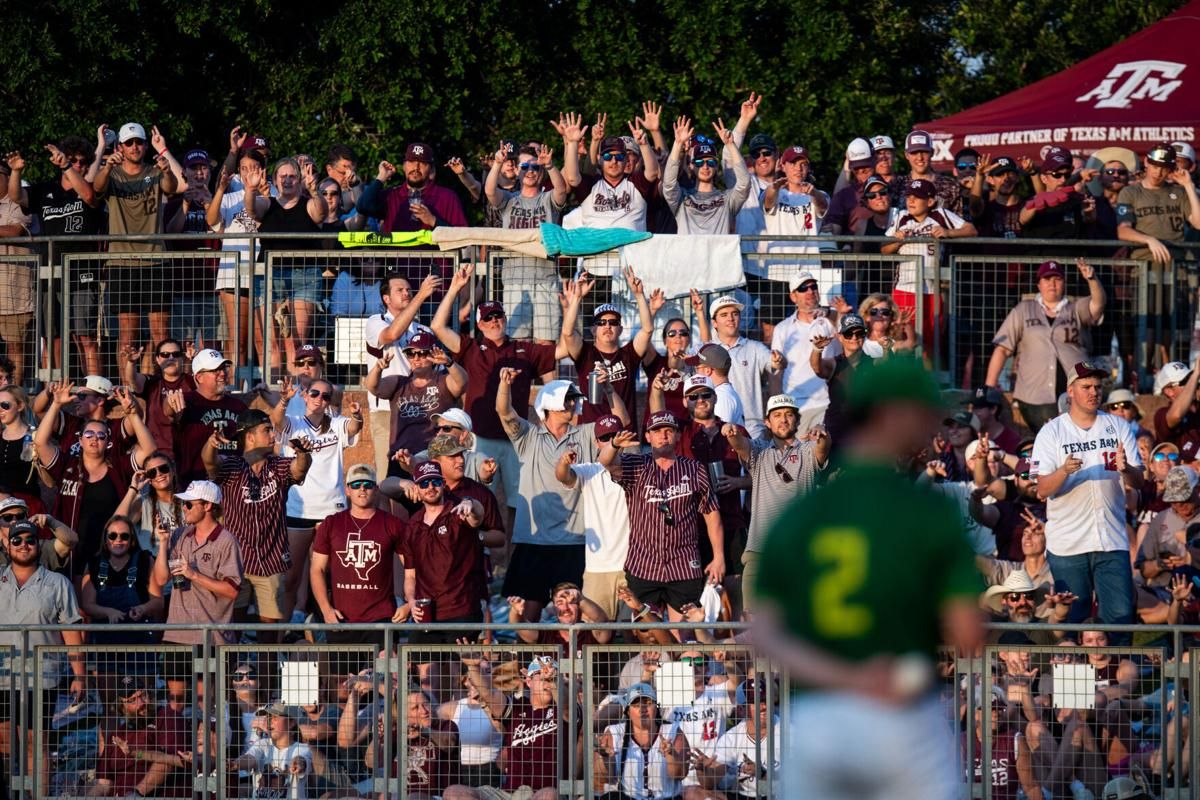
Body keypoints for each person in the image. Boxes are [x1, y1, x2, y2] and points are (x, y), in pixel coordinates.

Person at [754, 357, 983, 800]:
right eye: (923, 410)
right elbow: (967, 631)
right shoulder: (926, 511)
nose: (932, 421)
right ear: (892, 414)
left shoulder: (802, 514)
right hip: (901, 716)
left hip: (819, 718)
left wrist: (846, 677)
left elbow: (765, 632)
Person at [432, 263, 560, 534]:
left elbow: (564, 350)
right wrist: (455, 288)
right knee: (472, 498)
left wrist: (571, 306)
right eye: (488, 318)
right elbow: (437, 326)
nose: (494, 322)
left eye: (498, 316)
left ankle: (515, 567)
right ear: (479, 324)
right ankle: (481, 562)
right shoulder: (471, 348)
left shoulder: (524, 349)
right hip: (481, 437)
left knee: (520, 504)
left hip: (517, 441)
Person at [1032, 362, 1144, 640]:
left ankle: (1116, 680)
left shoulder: (1119, 426)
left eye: (1097, 386)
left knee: (1119, 620)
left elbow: (1139, 481)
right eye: (1086, 387)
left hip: (1111, 539)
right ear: (1070, 391)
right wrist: (1064, 471)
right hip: (1068, 544)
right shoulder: (1051, 432)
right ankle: (1075, 682)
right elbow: (1042, 488)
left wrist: (1126, 469)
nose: (1094, 392)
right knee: (1073, 621)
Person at [496, 371, 614, 622]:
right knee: (527, 615)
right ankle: (530, 662)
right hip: (533, 541)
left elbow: (618, 424)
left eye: (574, 398)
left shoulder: (584, 434)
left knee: (578, 613)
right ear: (549, 405)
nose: (572, 403)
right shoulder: (528, 436)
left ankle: (579, 660)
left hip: (574, 541)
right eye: (567, 398)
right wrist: (505, 385)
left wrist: (610, 391)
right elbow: (505, 413)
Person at [599, 410, 725, 620]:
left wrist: (718, 556)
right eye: (657, 430)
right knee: (645, 632)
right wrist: (613, 445)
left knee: (683, 634)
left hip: (684, 564)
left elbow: (711, 513)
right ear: (648, 436)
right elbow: (606, 462)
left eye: (669, 430)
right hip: (644, 565)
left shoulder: (694, 469)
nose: (663, 435)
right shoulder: (635, 465)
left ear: (677, 436)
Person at [201, 408, 312, 632]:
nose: (273, 435)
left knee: (269, 637)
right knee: (232, 632)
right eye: (267, 430)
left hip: (271, 562)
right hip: (235, 564)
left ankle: (266, 668)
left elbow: (298, 471)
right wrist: (211, 444)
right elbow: (210, 463)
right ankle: (232, 668)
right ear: (250, 437)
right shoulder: (232, 467)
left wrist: (302, 454)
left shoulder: (278, 465)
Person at [34, 382, 156, 576]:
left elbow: (149, 451)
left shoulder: (119, 467)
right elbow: (40, 443)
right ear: (80, 440)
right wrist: (56, 404)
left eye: (101, 436)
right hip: (72, 549)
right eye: (89, 434)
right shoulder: (67, 465)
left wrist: (133, 415)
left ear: (108, 443)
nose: (95, 439)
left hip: (109, 547)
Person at [7, 138, 105, 375]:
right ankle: (54, 393)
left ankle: (93, 392)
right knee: (53, 337)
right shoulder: (45, 189)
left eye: (83, 162)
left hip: (82, 273)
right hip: (51, 273)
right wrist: (16, 171)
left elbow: (89, 197)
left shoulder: (92, 187)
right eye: (73, 161)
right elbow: (16, 197)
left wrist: (66, 167)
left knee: (86, 337)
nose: (78, 165)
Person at [725, 394, 830, 611]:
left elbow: (823, 447)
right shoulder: (759, 451)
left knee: (798, 630)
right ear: (767, 422)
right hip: (759, 554)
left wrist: (822, 432)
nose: (783, 420)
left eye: (789, 415)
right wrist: (730, 432)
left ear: (797, 421)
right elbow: (740, 445)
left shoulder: (807, 451)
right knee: (755, 631)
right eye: (777, 415)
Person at [272, 379, 362, 620]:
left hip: (331, 510)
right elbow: (276, 422)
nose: (320, 399)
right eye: (315, 393)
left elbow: (352, 428)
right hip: (298, 509)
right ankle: (285, 629)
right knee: (290, 577)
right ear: (304, 395)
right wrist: (283, 400)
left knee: (333, 575)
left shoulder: (336, 423)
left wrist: (357, 416)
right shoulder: (295, 424)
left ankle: (330, 627)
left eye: (326, 396)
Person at [92, 122, 182, 362]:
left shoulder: (154, 172)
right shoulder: (112, 173)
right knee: (127, 336)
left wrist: (166, 170)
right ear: (120, 146)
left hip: (155, 260)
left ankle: (158, 388)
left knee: (160, 335)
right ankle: (128, 391)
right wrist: (107, 165)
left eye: (139, 142)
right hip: (121, 263)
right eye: (129, 142)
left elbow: (172, 188)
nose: (135, 147)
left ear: (144, 145)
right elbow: (95, 189)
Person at [985, 259, 1106, 433]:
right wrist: (989, 388)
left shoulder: (1075, 308)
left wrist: (1092, 279)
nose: (1052, 283)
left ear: (1064, 283)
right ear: (1038, 284)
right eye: (1047, 279)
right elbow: (1003, 349)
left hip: (1077, 391)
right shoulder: (1023, 309)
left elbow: (1098, 304)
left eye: (1057, 279)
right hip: (1034, 395)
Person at [242, 155, 327, 370]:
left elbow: (321, 214)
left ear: (299, 180)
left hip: (304, 276)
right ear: (275, 179)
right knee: (270, 343)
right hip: (270, 277)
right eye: (283, 176)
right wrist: (250, 189)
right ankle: (272, 393)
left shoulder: (308, 204)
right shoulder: (266, 203)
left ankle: (297, 395)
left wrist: (315, 190)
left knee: (295, 342)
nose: (287, 180)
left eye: (292, 176)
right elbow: (252, 210)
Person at [881, 178, 977, 358]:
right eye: (909, 196)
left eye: (917, 197)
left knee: (930, 344)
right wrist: (897, 240)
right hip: (905, 289)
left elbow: (971, 230)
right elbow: (884, 249)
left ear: (930, 201)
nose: (911, 201)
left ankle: (927, 383)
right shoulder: (902, 216)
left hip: (932, 290)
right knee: (901, 340)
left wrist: (948, 233)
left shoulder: (941, 214)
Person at [552, 415, 632, 621]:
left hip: (634, 565)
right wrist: (563, 461)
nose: (611, 442)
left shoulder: (639, 467)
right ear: (597, 443)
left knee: (635, 635)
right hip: (598, 568)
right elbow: (563, 476)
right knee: (596, 637)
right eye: (605, 438)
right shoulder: (590, 471)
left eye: (615, 436)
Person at [401, 461, 488, 643]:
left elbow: (477, 517)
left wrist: (470, 503)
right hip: (427, 612)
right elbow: (410, 575)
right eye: (424, 483)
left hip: (461, 608)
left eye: (435, 482)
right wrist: (410, 601)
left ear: (443, 484)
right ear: (417, 488)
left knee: (459, 668)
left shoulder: (457, 512)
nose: (430, 487)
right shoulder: (412, 525)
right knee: (425, 669)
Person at [559, 268, 659, 426]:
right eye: (601, 322)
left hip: (624, 434)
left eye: (613, 322)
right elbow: (568, 333)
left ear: (620, 329)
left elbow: (647, 329)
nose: (607, 326)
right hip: (592, 435)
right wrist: (577, 298)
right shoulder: (586, 354)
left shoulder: (629, 354)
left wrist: (639, 295)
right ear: (593, 330)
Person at [364, 272, 439, 477]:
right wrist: (420, 296)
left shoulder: (424, 330)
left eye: (409, 290)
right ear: (386, 299)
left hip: (422, 409)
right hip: (387, 411)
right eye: (400, 290)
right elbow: (392, 334)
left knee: (425, 472)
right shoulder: (375, 321)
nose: (406, 293)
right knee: (388, 476)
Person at [364, 332, 467, 471]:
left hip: (434, 457)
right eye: (411, 353)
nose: (416, 358)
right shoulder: (399, 382)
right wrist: (377, 369)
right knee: (390, 488)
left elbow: (462, 383)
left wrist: (449, 363)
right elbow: (372, 386)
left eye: (422, 353)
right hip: (401, 457)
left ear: (434, 355)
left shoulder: (443, 382)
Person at [92, 676, 189, 798]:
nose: (141, 703)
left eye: (143, 695)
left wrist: (138, 793)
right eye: (132, 700)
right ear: (121, 707)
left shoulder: (167, 718)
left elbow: (168, 762)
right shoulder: (117, 735)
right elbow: (104, 783)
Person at [560, 114, 660, 231]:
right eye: (607, 156)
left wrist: (644, 144)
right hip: (599, 248)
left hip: (631, 248)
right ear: (601, 160)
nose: (613, 161)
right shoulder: (592, 185)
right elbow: (572, 177)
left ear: (625, 160)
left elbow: (653, 172)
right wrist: (572, 143)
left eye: (619, 156)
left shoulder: (636, 183)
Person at [769, 271, 840, 432]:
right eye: (803, 288)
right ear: (793, 297)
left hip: (828, 404)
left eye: (813, 286)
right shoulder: (783, 328)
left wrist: (829, 313)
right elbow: (776, 372)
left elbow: (849, 329)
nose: (810, 291)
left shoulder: (830, 321)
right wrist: (776, 409)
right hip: (796, 406)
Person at [165, 348, 248, 483]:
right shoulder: (187, 402)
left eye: (223, 368)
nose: (222, 374)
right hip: (196, 486)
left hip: (234, 485)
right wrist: (170, 402)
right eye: (215, 370)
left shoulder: (238, 406)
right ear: (199, 377)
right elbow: (169, 410)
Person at [593, 682, 687, 799]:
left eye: (648, 703)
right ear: (628, 711)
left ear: (656, 708)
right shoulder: (614, 732)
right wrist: (605, 758)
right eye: (636, 705)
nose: (642, 709)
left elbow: (680, 774)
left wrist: (670, 754)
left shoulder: (672, 731)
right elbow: (603, 778)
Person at [78, 514, 162, 645]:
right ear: (105, 538)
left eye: (124, 536)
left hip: (139, 644)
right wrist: (108, 612)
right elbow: (87, 605)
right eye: (112, 536)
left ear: (131, 539)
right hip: (104, 645)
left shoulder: (145, 560)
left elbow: (158, 601)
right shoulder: (94, 563)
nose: (118, 540)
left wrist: (142, 609)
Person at [355, 142, 468, 233]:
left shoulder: (447, 197)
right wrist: (381, 177)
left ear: (431, 170)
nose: (416, 167)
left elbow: (462, 236)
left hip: (434, 261)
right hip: (396, 261)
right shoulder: (392, 195)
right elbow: (363, 207)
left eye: (422, 163)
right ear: (404, 166)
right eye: (411, 162)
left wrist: (433, 221)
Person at [1116, 142, 1200, 265]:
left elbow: (1198, 224)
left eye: (1164, 169)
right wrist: (1149, 240)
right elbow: (1123, 231)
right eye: (1154, 166)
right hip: (1143, 264)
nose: (1158, 173)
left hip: (1176, 266)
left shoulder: (1180, 192)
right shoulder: (1130, 192)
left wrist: (1189, 186)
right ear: (1146, 162)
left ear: (1171, 170)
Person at [702, 295, 773, 439]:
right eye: (724, 315)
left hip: (752, 428)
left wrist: (779, 361)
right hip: (720, 426)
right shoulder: (707, 352)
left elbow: (775, 364)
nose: (731, 318)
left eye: (735, 314)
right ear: (714, 323)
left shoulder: (755, 348)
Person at [662, 116, 749, 234]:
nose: (705, 166)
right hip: (689, 253)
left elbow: (744, 183)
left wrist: (730, 145)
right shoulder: (681, 197)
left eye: (711, 162)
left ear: (716, 166)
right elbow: (668, 184)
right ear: (691, 166)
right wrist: (677, 144)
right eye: (699, 162)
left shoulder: (728, 199)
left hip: (718, 253)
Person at [121, 337, 194, 454]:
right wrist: (131, 363)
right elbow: (133, 380)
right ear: (158, 359)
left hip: (188, 451)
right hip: (157, 452)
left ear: (182, 358)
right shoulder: (153, 382)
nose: (171, 358)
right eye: (165, 355)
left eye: (176, 354)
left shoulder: (191, 382)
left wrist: (195, 360)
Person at [811, 313, 872, 446]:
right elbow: (817, 368)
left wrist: (886, 350)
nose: (854, 338)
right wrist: (817, 349)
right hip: (838, 430)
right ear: (840, 337)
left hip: (866, 431)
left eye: (859, 333)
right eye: (849, 334)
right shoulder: (834, 363)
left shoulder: (874, 363)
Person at [0, 385, 44, 511]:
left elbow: (50, 482)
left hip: (26, 506)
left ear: (20, 406)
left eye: (5, 405)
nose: (0, 410)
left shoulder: (34, 436)